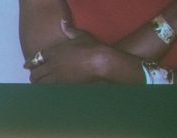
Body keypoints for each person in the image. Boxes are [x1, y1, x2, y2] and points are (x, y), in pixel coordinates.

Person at [20, 0, 177, 84]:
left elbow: (85, 80)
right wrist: (100, 61)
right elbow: (62, 90)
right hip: (104, 134)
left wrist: (100, 62)